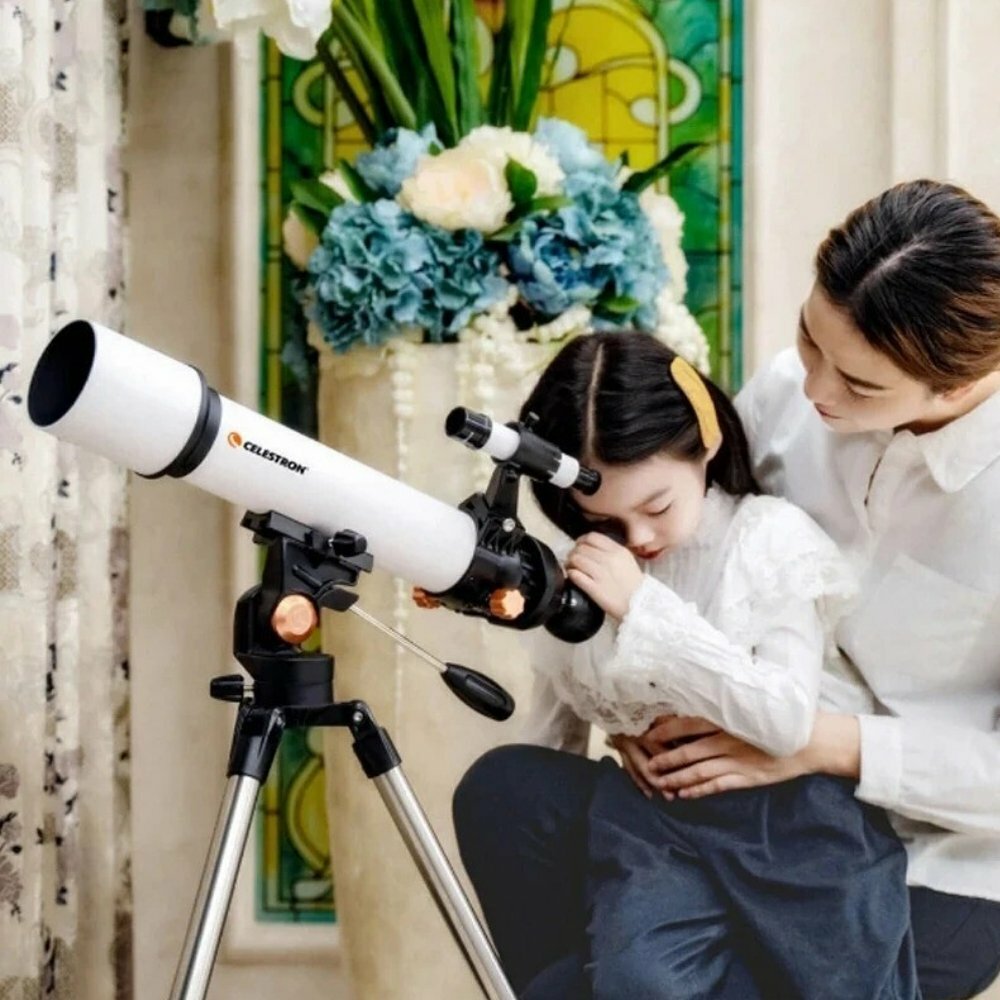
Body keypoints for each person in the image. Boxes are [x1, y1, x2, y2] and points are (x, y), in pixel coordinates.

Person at [454, 179, 1000, 1000]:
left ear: (958, 384)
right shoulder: (788, 395)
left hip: (936, 858)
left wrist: (822, 744)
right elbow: (688, 554)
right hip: (710, 810)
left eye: (859, 386)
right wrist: (642, 709)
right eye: (810, 340)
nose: (816, 391)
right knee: (508, 796)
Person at [454, 330, 919, 999]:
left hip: (794, 826)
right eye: (605, 521)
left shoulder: (764, 539)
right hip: (660, 826)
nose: (638, 538)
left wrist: (644, 609)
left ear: (706, 439)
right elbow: (554, 735)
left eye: (657, 507)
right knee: (635, 981)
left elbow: (786, 720)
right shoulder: (589, 563)